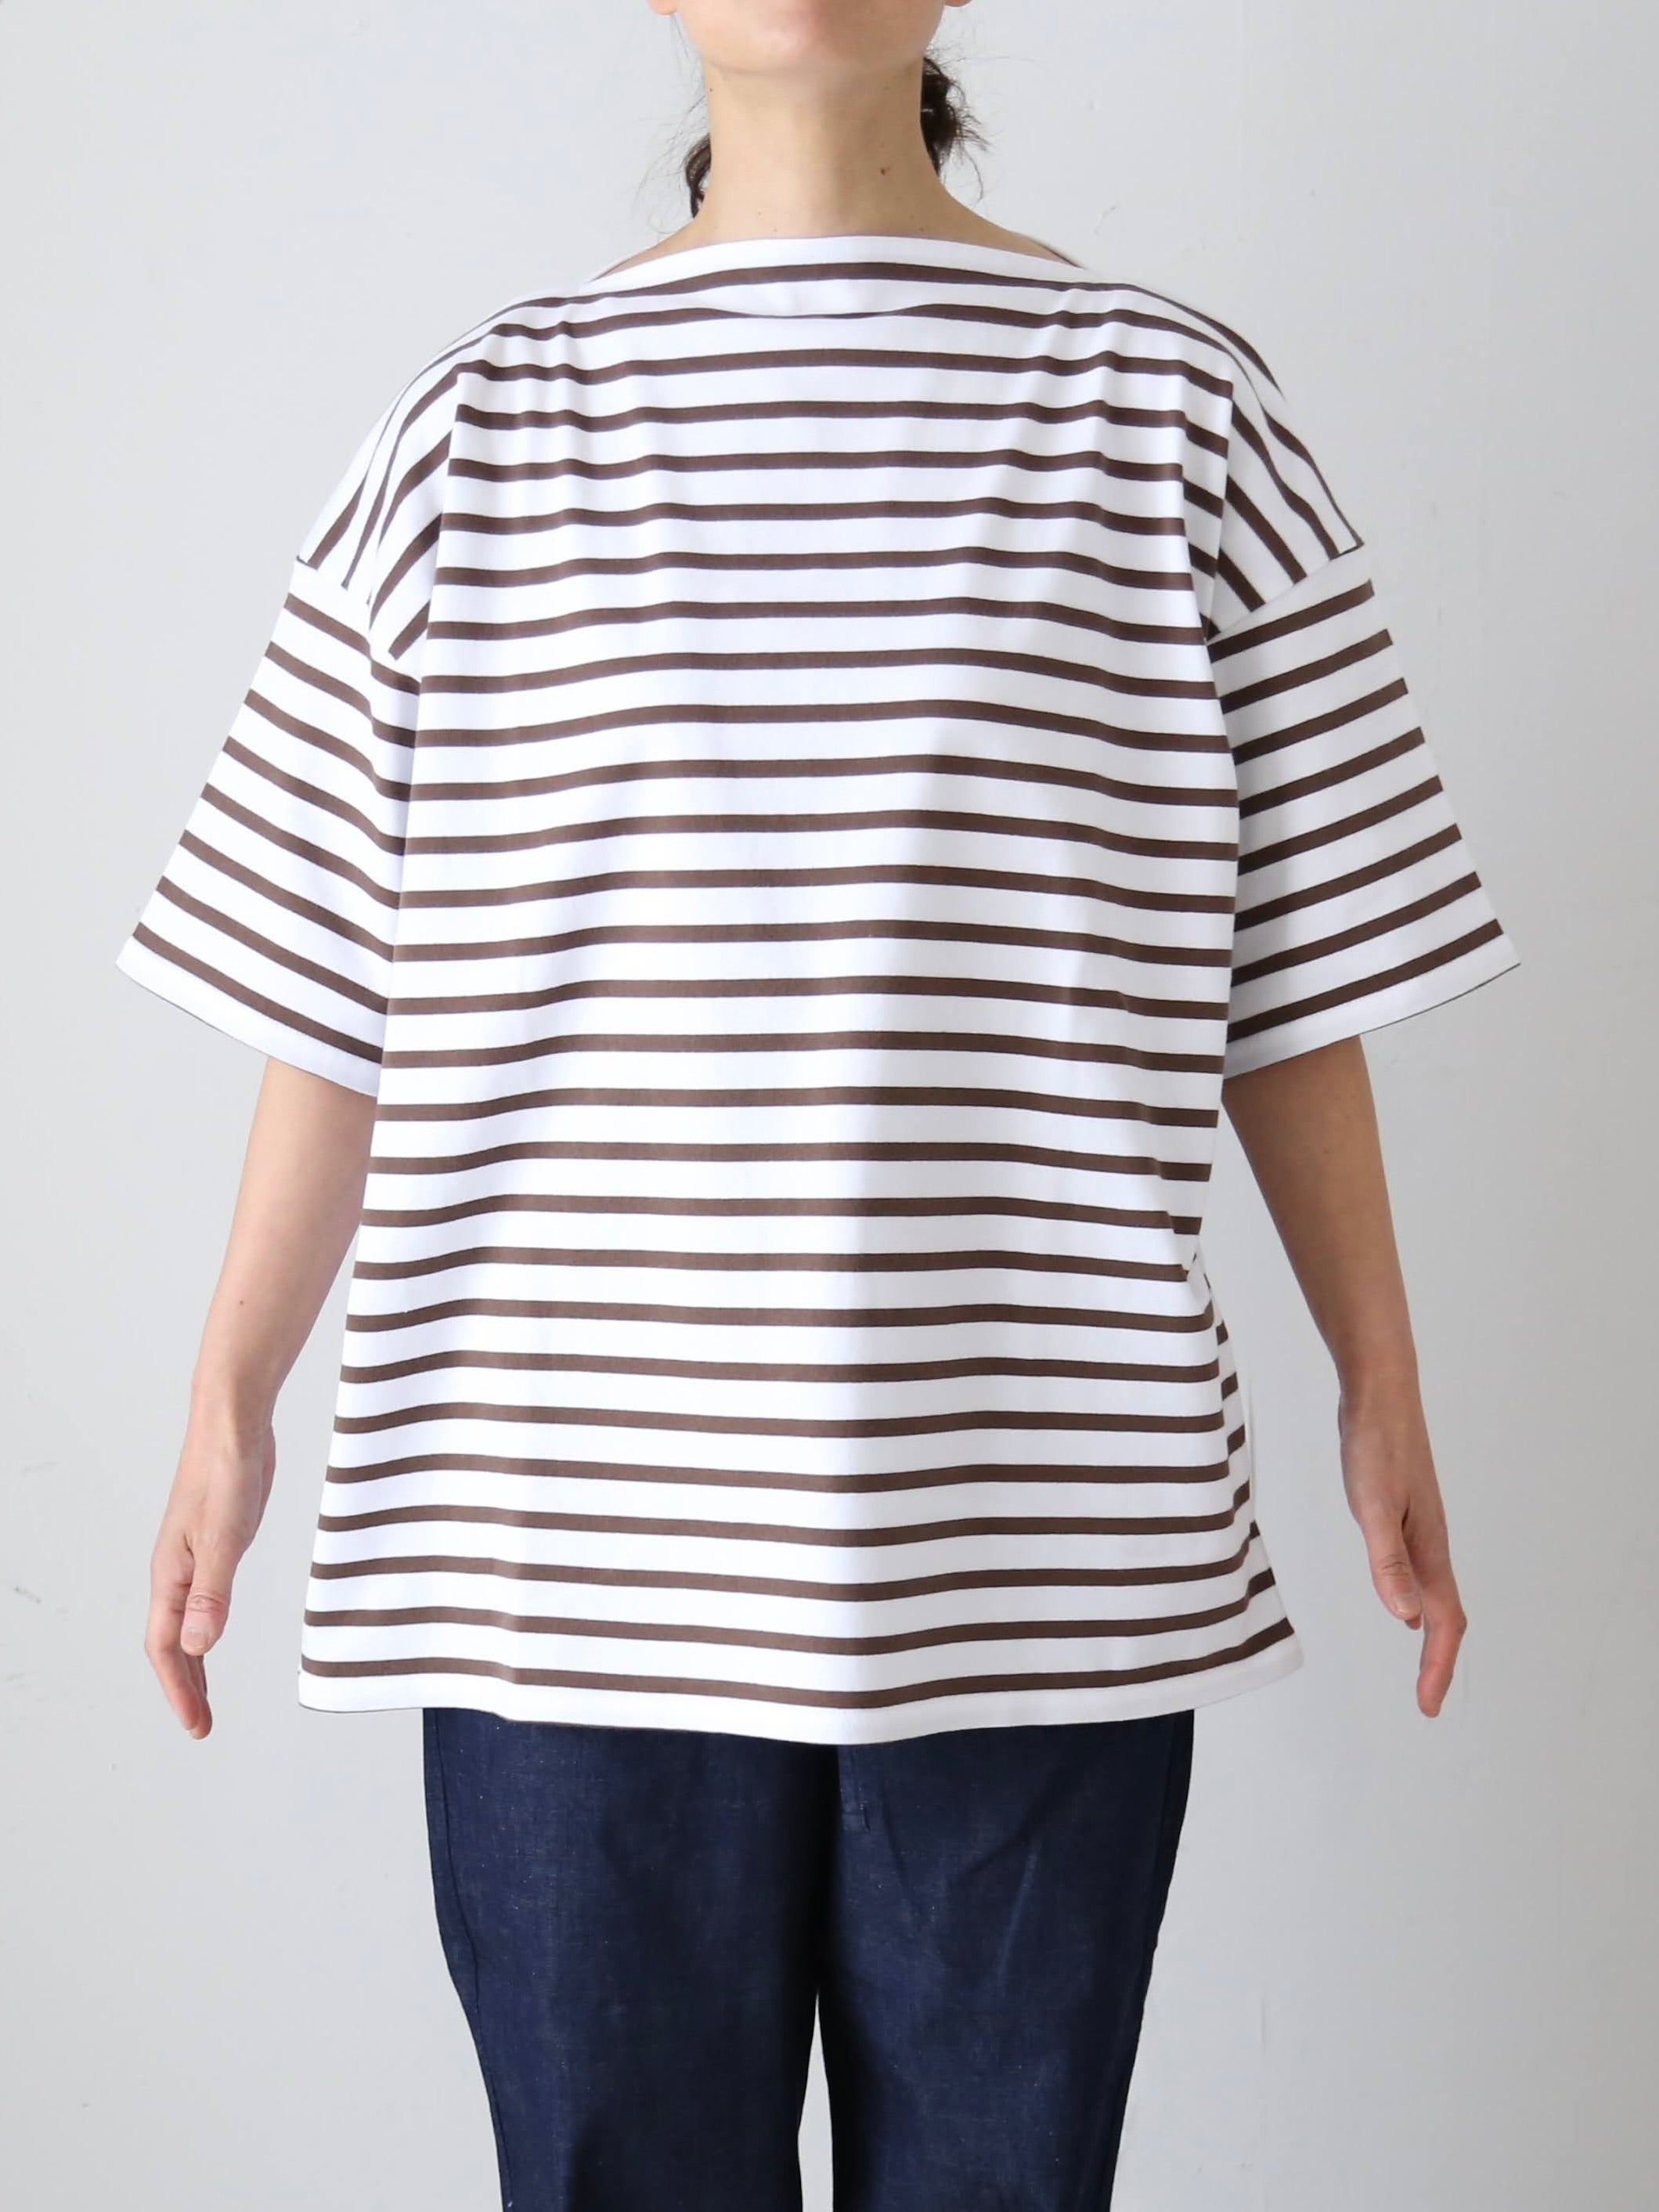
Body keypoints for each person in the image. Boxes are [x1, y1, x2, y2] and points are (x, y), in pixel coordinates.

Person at [117, 3, 1520, 2205]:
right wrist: (228, 1403)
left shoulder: (1176, 415)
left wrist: (1384, 1381)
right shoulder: (475, 430)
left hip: (1036, 1534)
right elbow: (339, 983)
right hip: (562, 1552)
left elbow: (1301, 975)